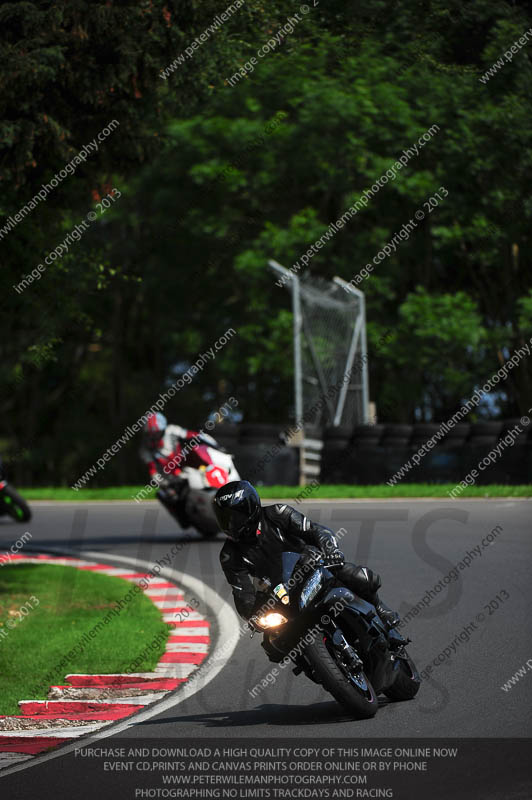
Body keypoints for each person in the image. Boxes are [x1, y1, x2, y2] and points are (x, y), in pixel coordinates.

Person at [213, 480, 400, 631]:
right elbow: (242, 593)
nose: (230, 524)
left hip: (311, 565)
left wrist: (331, 550)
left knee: (356, 575)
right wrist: (252, 615)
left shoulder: (278, 513)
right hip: (279, 592)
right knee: (273, 642)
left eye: (234, 517)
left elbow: (316, 531)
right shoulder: (229, 555)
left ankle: (380, 606)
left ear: (250, 508)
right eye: (224, 519)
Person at [140, 412, 201, 483]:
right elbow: (152, 468)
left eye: (157, 433)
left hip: (188, 464)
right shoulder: (146, 447)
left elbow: (192, 435)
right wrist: (162, 482)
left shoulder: (172, 430)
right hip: (172, 476)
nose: (154, 437)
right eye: (151, 434)